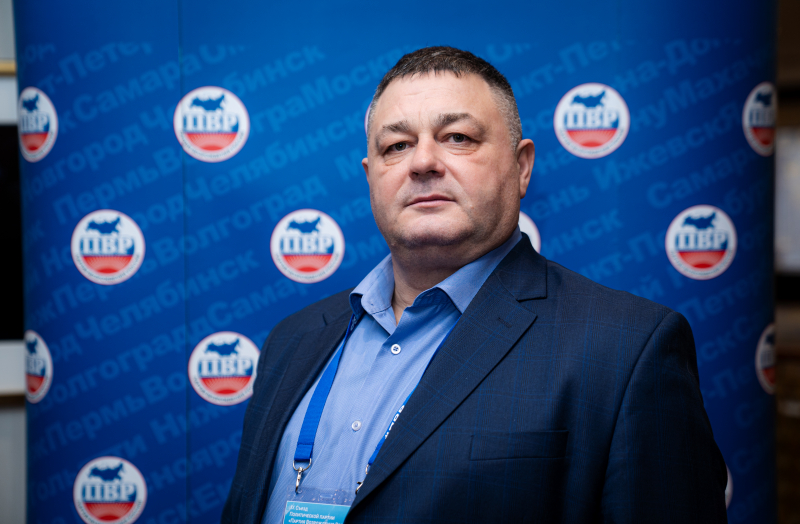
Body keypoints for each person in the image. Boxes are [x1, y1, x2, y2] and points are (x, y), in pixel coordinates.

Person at [222, 46, 727, 524]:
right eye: (396, 146)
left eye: (458, 138)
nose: (422, 162)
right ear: (371, 176)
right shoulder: (293, 340)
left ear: (522, 167)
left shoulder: (625, 350)